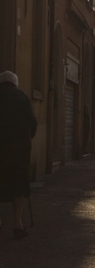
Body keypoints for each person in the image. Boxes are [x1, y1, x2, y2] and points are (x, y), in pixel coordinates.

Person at [0, 71, 37, 238]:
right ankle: (17, 224)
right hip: (19, 150)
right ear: (15, 83)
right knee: (19, 186)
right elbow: (33, 122)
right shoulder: (22, 97)